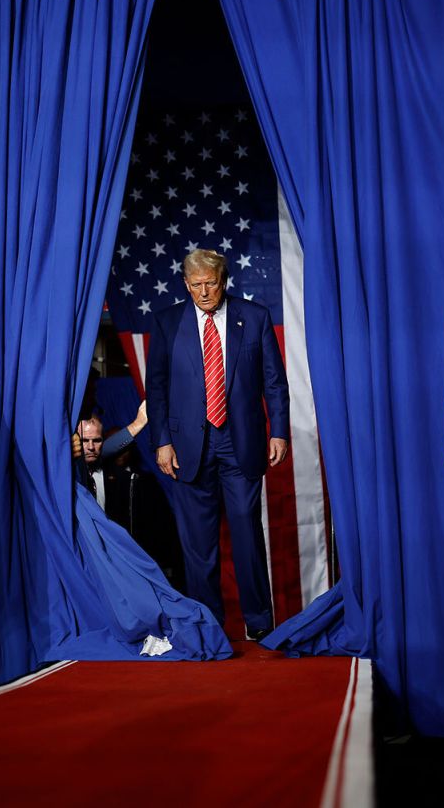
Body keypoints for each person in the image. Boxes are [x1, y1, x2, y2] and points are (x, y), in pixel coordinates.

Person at [145, 249, 289, 640]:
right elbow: (155, 387)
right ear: (185, 284)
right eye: (196, 285)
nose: (204, 292)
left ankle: (259, 623)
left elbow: (274, 381)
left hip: (241, 441)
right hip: (187, 445)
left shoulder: (254, 316)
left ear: (224, 280)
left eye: (211, 283)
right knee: (198, 544)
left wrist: (279, 431)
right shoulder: (167, 322)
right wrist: (161, 441)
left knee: (246, 534)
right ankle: (210, 626)